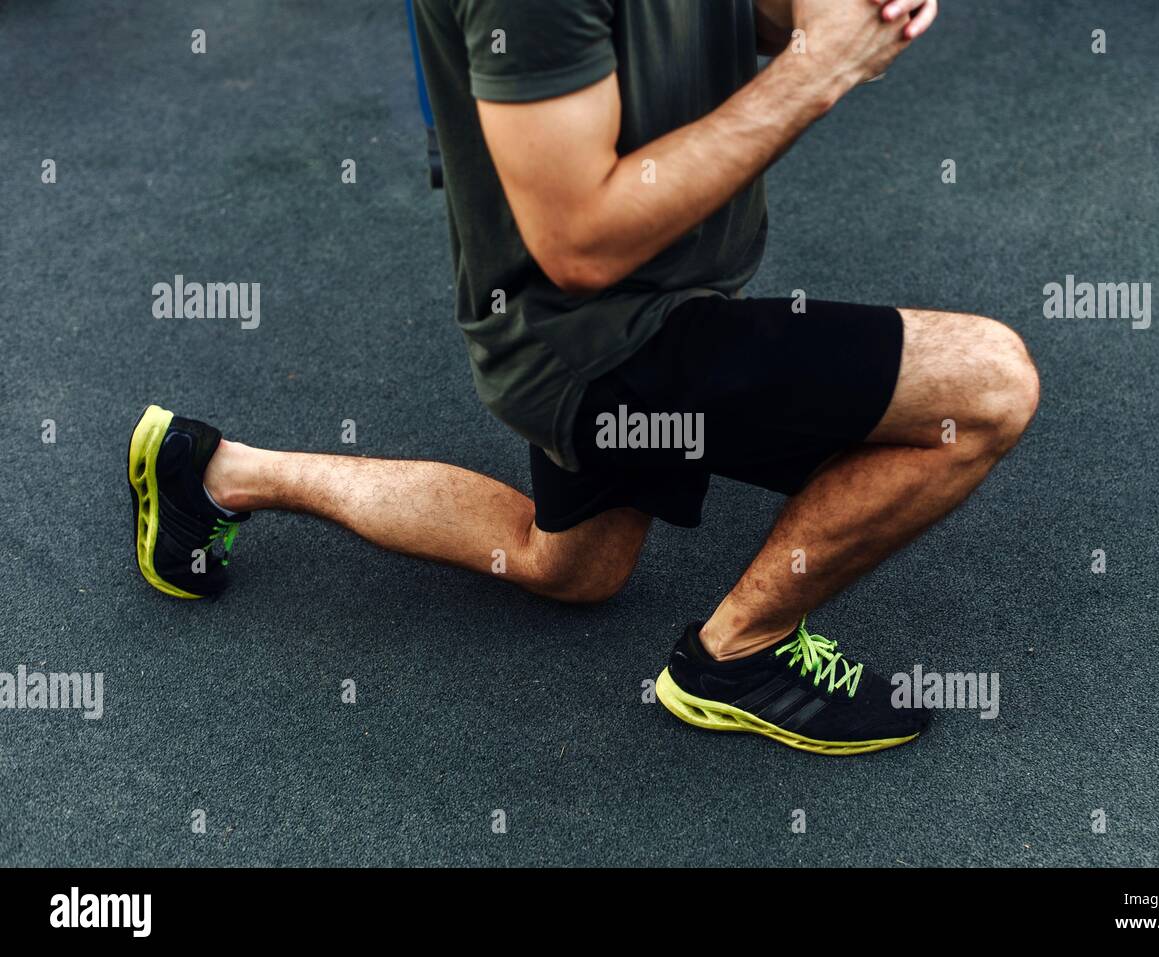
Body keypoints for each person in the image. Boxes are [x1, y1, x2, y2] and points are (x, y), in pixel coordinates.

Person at [128, 0, 1039, 755]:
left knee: (572, 566)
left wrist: (816, 11)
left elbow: (739, 21)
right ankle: (738, 656)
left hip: (670, 297)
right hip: (602, 344)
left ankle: (217, 473)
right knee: (986, 388)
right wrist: (821, 67)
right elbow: (579, 243)